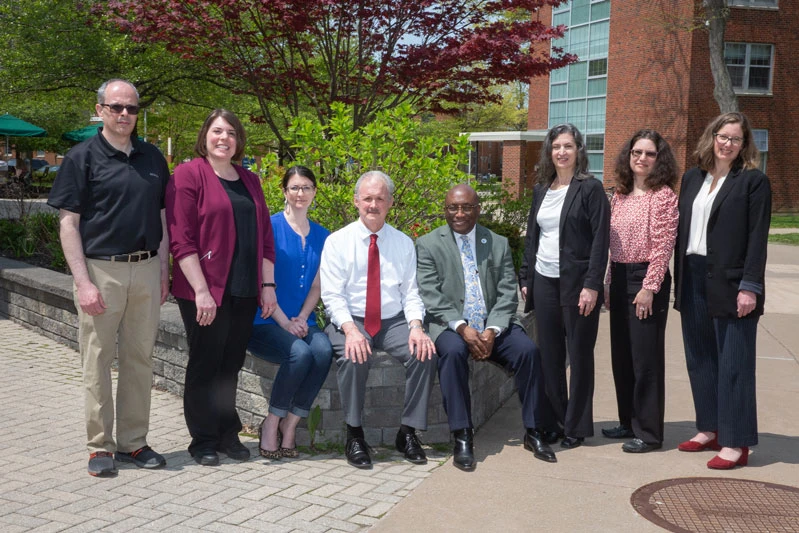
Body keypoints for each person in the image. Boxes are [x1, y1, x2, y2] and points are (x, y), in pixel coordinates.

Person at [47, 79, 170, 476]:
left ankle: (134, 443)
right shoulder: (81, 157)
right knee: (97, 360)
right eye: (116, 107)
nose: (124, 114)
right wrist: (83, 282)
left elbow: (162, 217)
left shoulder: (153, 157)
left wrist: (163, 269)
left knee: (139, 359)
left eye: (131, 108)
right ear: (100, 109)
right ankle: (100, 446)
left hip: (146, 268)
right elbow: (68, 224)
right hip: (101, 270)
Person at [416, 184, 557, 470]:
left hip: (493, 324)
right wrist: (462, 328)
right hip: (450, 325)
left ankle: (534, 431)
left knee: (528, 352)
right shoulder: (428, 244)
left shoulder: (497, 243)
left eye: (466, 207)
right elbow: (431, 294)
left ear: (478, 209)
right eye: (453, 207)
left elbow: (506, 293)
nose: (459, 213)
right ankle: (462, 435)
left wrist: (492, 329)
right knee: (453, 353)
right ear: (445, 210)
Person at [166, 109, 277, 466]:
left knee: (231, 364)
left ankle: (228, 433)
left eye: (230, 132)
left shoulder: (250, 180)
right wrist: (201, 291)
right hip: (204, 289)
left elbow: (265, 238)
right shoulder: (188, 174)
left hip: (244, 288)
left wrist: (268, 285)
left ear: (238, 140)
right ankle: (203, 440)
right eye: (217, 131)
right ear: (205, 136)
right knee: (206, 362)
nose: (224, 138)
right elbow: (181, 239)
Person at [673, 112, 771, 469]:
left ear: (744, 145)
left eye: (735, 139)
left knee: (734, 364)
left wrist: (750, 286)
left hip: (732, 283)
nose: (727, 144)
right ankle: (710, 428)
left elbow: (757, 239)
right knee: (700, 359)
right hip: (693, 276)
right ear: (712, 137)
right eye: (723, 136)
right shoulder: (692, 178)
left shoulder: (753, 182)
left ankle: (736, 441)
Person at [320, 170, 436, 469]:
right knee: (354, 355)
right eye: (367, 198)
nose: (373, 205)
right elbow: (332, 295)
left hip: (393, 321)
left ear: (390, 202)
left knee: (423, 353)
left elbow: (411, 292)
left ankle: (407, 432)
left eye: (380, 199)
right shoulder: (337, 242)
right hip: (352, 318)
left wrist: (416, 327)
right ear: (356, 201)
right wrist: (350, 330)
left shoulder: (403, 243)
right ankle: (354, 435)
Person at [519, 123, 609, 449]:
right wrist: (526, 277)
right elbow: (532, 236)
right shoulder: (542, 190)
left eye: (568, 146)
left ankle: (577, 426)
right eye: (556, 146)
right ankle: (557, 421)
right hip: (544, 281)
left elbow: (600, 241)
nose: (562, 152)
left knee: (580, 357)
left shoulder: (591, 189)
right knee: (550, 356)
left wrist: (592, 285)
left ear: (578, 150)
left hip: (577, 284)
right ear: (549, 151)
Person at [248, 166, 333, 459]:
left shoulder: (323, 236)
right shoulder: (269, 228)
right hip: (265, 321)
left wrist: (303, 317)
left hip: (303, 320)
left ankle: (291, 424)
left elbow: (317, 285)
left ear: (315, 192)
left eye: (306, 187)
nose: (300, 193)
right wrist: (285, 323)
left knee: (322, 350)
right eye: (294, 187)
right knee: (300, 353)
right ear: (284, 191)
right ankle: (272, 423)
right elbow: (262, 282)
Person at [603, 130, 678, 453]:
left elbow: (663, 246)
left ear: (659, 159)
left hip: (646, 278)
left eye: (649, 153)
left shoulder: (663, 196)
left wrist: (649, 287)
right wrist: (609, 282)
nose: (642, 158)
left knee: (645, 358)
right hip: (620, 276)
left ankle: (648, 433)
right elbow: (612, 246)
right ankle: (627, 421)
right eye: (637, 152)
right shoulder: (619, 195)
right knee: (621, 355)